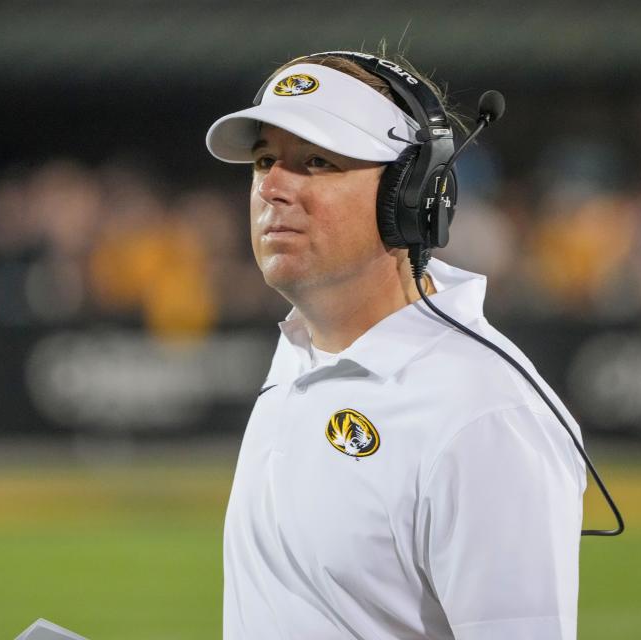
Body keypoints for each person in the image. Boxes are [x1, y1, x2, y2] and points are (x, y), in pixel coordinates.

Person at [205, 51, 587, 639]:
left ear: (411, 196)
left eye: (316, 161)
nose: (273, 187)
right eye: (263, 161)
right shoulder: (302, 351)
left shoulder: (485, 416)